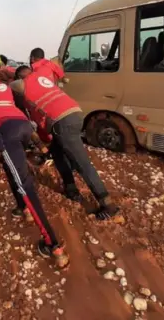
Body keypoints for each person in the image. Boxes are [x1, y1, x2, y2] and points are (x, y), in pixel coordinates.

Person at [0, 64, 69, 268]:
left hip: (6, 131)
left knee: (24, 182)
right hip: (23, 126)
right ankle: (22, 207)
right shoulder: (5, 87)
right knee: (10, 167)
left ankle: (53, 245)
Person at [10, 47, 119, 220]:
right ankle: (70, 189)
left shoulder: (22, 86)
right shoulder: (41, 77)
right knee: (58, 153)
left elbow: (36, 120)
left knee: (82, 163)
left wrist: (43, 142)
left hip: (63, 122)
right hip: (75, 113)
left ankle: (107, 204)